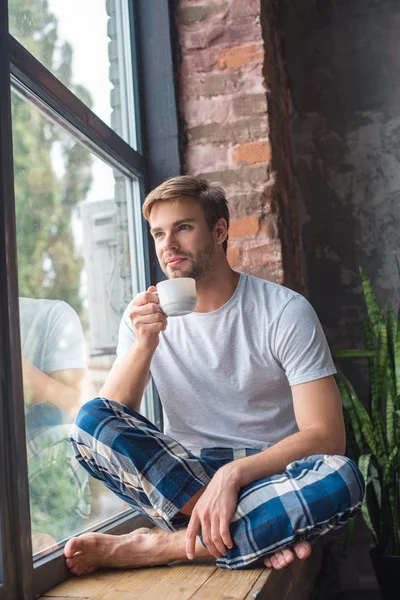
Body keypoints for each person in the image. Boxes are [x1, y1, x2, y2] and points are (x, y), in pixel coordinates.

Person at [64, 176, 364, 576]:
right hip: (184, 479)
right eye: (158, 233)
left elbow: (327, 436)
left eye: (183, 228)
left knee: (344, 478)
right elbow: (109, 422)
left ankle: (156, 546)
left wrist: (233, 475)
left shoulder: (284, 311)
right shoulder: (142, 319)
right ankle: (257, 531)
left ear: (220, 230)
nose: (167, 245)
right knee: (86, 420)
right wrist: (144, 345)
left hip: (270, 474)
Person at [20, 297, 92, 553]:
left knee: (56, 425)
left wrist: (23, 375)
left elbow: (79, 410)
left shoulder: (50, 317)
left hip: (41, 482)